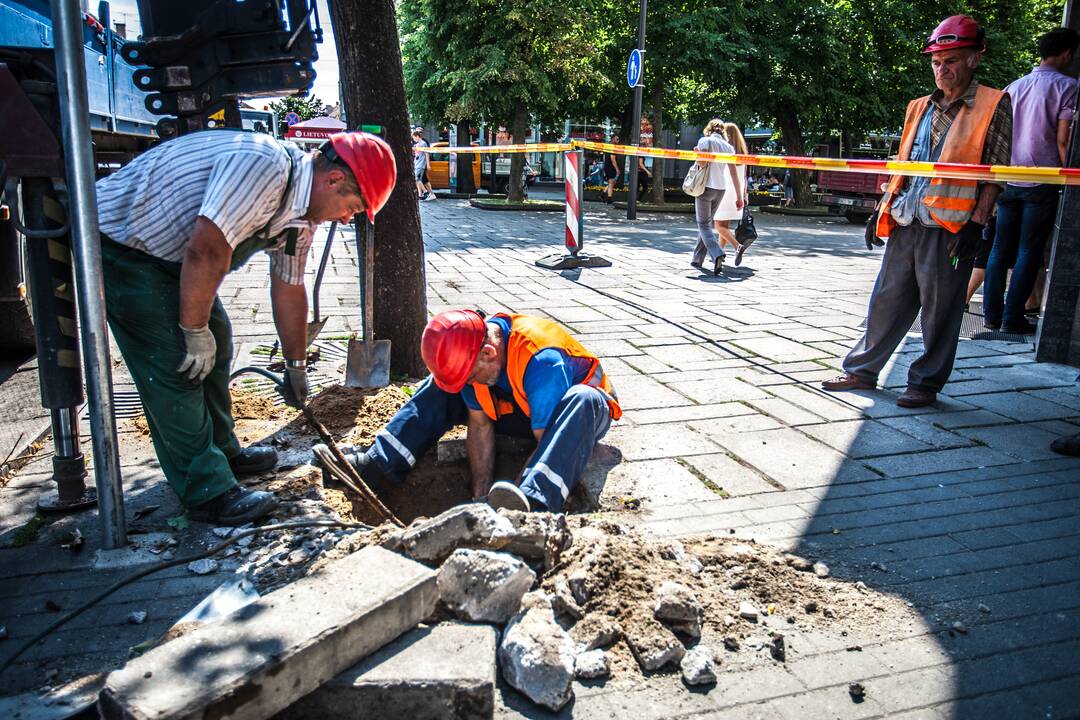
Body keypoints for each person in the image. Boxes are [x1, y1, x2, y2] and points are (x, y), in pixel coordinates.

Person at [97, 130, 396, 524]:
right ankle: (207, 492)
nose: (345, 218)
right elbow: (206, 251)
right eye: (351, 207)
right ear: (334, 180)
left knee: (217, 337)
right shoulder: (265, 168)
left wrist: (296, 365)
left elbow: (289, 287)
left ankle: (222, 451)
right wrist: (191, 330)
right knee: (177, 362)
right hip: (125, 246)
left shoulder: (301, 219)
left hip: (172, 257)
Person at [822, 15, 1012, 408]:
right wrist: (881, 208)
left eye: (952, 60)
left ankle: (925, 383)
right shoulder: (918, 107)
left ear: (975, 58)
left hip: (952, 225)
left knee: (940, 310)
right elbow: (905, 164)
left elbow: (995, 171)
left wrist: (978, 223)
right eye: (937, 62)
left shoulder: (994, 103)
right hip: (907, 216)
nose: (943, 70)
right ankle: (862, 370)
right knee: (887, 300)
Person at [312, 309, 622, 513]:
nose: (469, 383)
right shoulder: (477, 357)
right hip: (520, 406)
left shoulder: (541, 361)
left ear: (488, 352)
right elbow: (480, 425)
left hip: (576, 416)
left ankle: (533, 506)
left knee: (582, 399)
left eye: (471, 375)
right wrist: (480, 499)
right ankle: (377, 466)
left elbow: (546, 441)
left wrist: (510, 504)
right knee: (442, 388)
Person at [982, 27, 1078, 334]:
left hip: (1009, 178)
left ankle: (991, 315)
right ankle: (1013, 318)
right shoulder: (1069, 86)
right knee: (1028, 251)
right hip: (1042, 178)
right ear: (1067, 54)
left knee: (999, 248)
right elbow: (1063, 139)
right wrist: (1070, 179)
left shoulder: (1015, 86)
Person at [690, 119, 746, 275]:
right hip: (720, 189)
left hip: (705, 187)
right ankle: (697, 258)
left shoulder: (704, 141)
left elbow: (701, 164)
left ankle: (717, 254)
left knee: (703, 225)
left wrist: (697, 154)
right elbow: (734, 173)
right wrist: (739, 196)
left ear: (709, 129)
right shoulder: (728, 147)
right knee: (706, 224)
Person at [713, 123, 750, 266]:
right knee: (724, 225)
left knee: (718, 225)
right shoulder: (743, 154)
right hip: (737, 193)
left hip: (724, 191)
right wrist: (744, 195)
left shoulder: (726, 152)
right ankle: (718, 252)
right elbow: (745, 178)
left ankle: (737, 246)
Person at [412, 128, 435, 201]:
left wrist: (428, 164)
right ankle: (422, 194)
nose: (414, 139)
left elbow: (426, 154)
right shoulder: (417, 145)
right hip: (417, 164)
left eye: (414, 138)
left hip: (421, 165)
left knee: (417, 179)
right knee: (419, 179)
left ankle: (425, 193)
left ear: (417, 136)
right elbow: (417, 156)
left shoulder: (423, 143)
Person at [603, 135, 621, 203]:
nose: (618, 141)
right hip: (610, 167)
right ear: (613, 139)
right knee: (611, 182)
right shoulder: (612, 148)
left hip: (607, 167)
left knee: (612, 182)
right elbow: (613, 160)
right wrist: (617, 169)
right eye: (617, 139)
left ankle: (603, 194)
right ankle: (609, 199)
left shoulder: (608, 147)